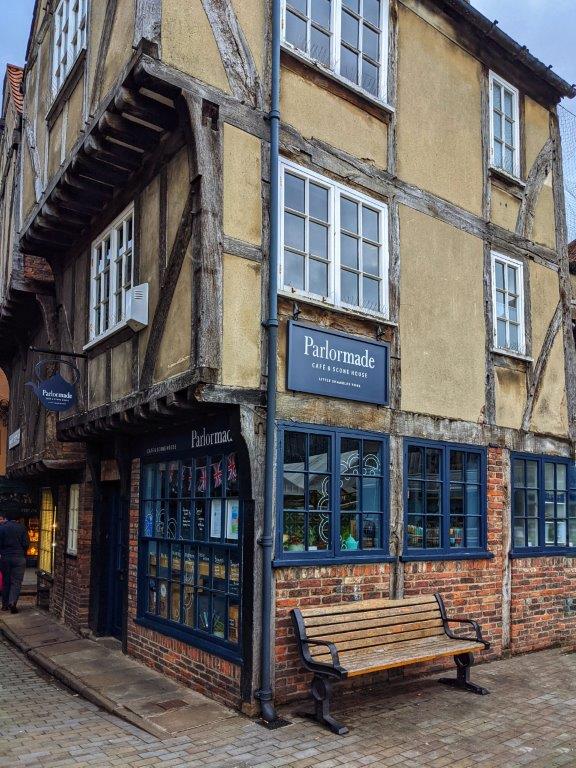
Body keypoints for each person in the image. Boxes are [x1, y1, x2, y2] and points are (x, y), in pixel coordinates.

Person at [0, 509, 29, 614]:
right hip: (19, 558)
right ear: (18, 518)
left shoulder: (2, 528)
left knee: (6, 581)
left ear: (6, 517)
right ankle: (12, 602)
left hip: (5, 558)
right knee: (16, 582)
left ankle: (4, 605)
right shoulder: (22, 527)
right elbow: (26, 544)